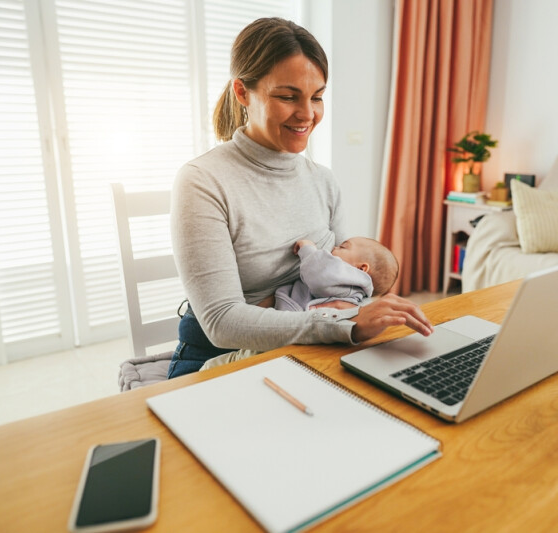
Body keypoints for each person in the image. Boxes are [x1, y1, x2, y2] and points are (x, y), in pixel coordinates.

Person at [168, 17, 433, 379]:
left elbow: (342, 279)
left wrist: (362, 314)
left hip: (303, 347)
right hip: (220, 357)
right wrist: (340, 325)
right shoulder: (202, 182)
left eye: (317, 96)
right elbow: (222, 321)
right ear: (243, 93)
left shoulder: (323, 180)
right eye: (287, 96)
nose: (308, 114)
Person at [274, 237, 399, 311]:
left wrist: (307, 249)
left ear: (361, 269)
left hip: (294, 311)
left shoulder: (344, 280)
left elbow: (317, 274)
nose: (334, 247)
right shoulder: (353, 289)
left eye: (343, 247)